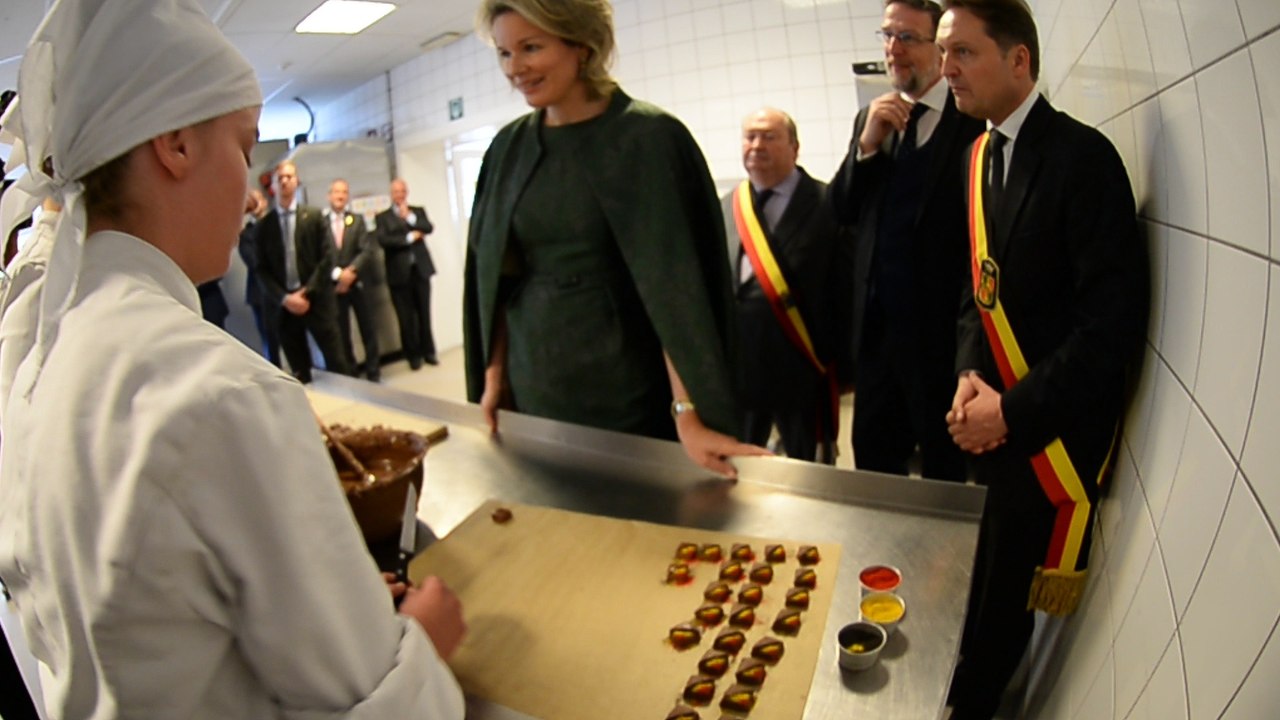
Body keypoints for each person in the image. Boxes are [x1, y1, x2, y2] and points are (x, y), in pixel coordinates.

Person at [0, 1, 467, 717]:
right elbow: (364, 694)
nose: (249, 186)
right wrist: (423, 650)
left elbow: (157, 616)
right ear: (177, 145)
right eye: (245, 146)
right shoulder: (220, 390)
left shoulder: (40, 355)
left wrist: (332, 603)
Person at [937, 1, 1148, 717]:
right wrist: (970, 374)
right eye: (944, 54)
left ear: (1019, 59)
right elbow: (977, 288)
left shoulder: (1082, 160)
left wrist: (1011, 412)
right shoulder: (978, 154)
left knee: (997, 622)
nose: (946, 71)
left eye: (963, 52)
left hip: (1046, 440)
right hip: (990, 421)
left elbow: (1110, 324)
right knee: (976, 596)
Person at [464, 0, 767, 478]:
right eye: (504, 53)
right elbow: (497, 279)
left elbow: (676, 289)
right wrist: (494, 377)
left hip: (624, 390)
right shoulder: (507, 150)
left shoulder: (647, 139)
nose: (515, 68)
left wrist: (688, 413)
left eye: (531, 47)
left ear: (580, 45)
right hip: (533, 383)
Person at [829, 0, 984, 482]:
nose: (893, 50)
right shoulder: (871, 120)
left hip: (941, 343)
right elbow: (839, 211)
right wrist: (866, 148)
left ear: (940, 52)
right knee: (873, 465)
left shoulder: (972, 121)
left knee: (947, 471)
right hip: (876, 339)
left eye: (908, 39)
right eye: (887, 36)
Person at [723, 108, 852, 464]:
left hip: (802, 368)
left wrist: (845, 365)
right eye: (750, 136)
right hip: (742, 369)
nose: (756, 145)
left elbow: (845, 290)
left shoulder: (829, 205)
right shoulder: (726, 207)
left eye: (769, 136)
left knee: (808, 473)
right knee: (738, 468)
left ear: (795, 147)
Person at [255, 161, 350, 383]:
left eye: (290, 177)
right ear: (274, 187)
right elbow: (261, 270)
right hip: (285, 308)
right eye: (280, 178)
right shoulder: (264, 227)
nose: (285, 182)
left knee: (337, 362)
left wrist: (306, 293)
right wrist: (286, 298)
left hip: (317, 302)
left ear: (297, 182)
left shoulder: (315, 217)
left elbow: (328, 259)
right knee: (299, 371)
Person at [376, 179, 437, 368]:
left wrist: (409, 217)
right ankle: (413, 356)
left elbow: (428, 227)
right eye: (395, 191)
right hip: (398, 274)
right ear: (391, 194)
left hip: (420, 270)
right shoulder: (383, 217)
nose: (399, 194)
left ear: (406, 192)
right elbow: (384, 240)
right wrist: (410, 237)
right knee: (405, 317)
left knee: (424, 314)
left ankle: (429, 352)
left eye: (402, 191)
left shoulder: (417, 211)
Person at [327, 179, 382, 381]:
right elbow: (321, 255)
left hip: (358, 284)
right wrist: (337, 275)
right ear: (329, 196)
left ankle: (374, 371)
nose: (340, 196)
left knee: (368, 328)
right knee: (342, 333)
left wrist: (351, 272)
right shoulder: (321, 223)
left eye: (344, 192)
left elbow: (367, 249)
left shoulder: (357, 220)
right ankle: (351, 372)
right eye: (336, 192)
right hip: (335, 288)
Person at [237, 187, 281, 365]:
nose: (257, 205)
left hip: (285, 291)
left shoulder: (279, 224)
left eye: (259, 200)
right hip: (260, 294)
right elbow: (254, 261)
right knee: (270, 342)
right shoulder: (246, 234)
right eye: (251, 202)